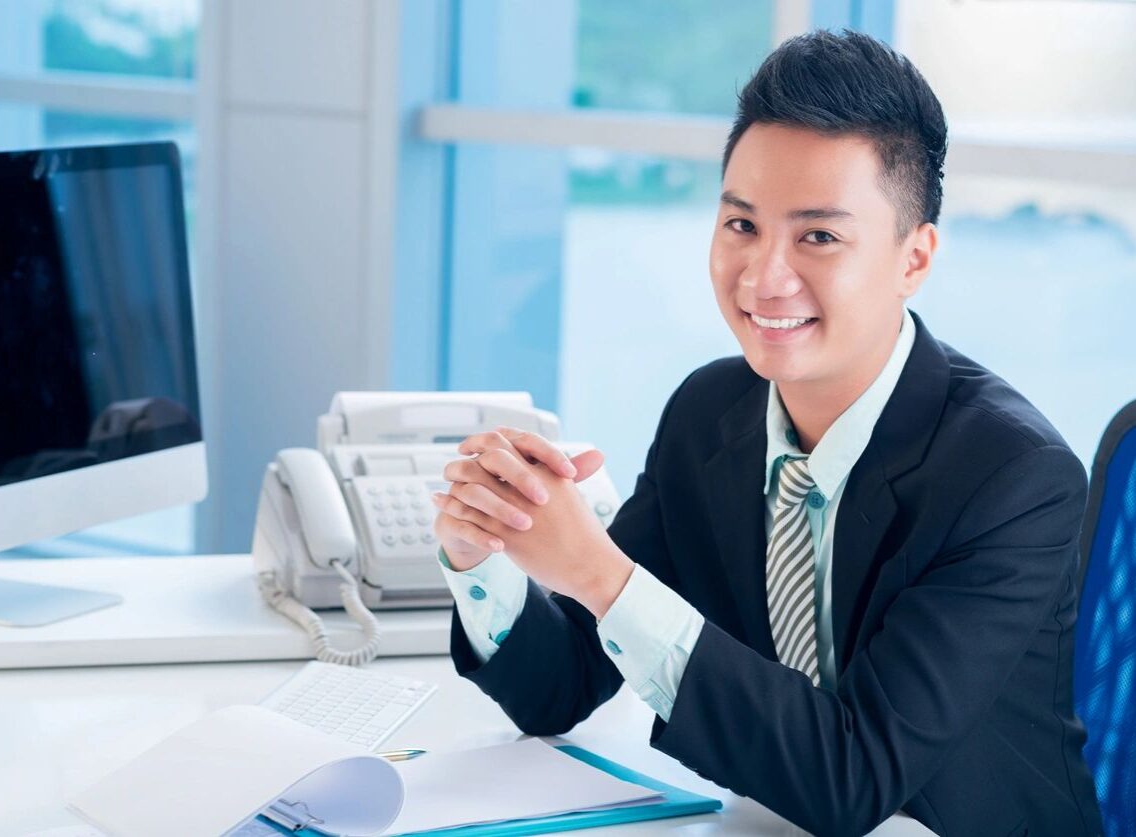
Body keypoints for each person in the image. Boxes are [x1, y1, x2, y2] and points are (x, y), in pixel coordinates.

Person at [429, 29, 1103, 837]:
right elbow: (562, 688)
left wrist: (602, 575)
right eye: (742, 225)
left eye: (818, 236)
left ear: (913, 259)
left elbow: (854, 778)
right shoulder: (709, 414)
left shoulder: (1012, 478)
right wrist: (484, 555)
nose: (762, 276)